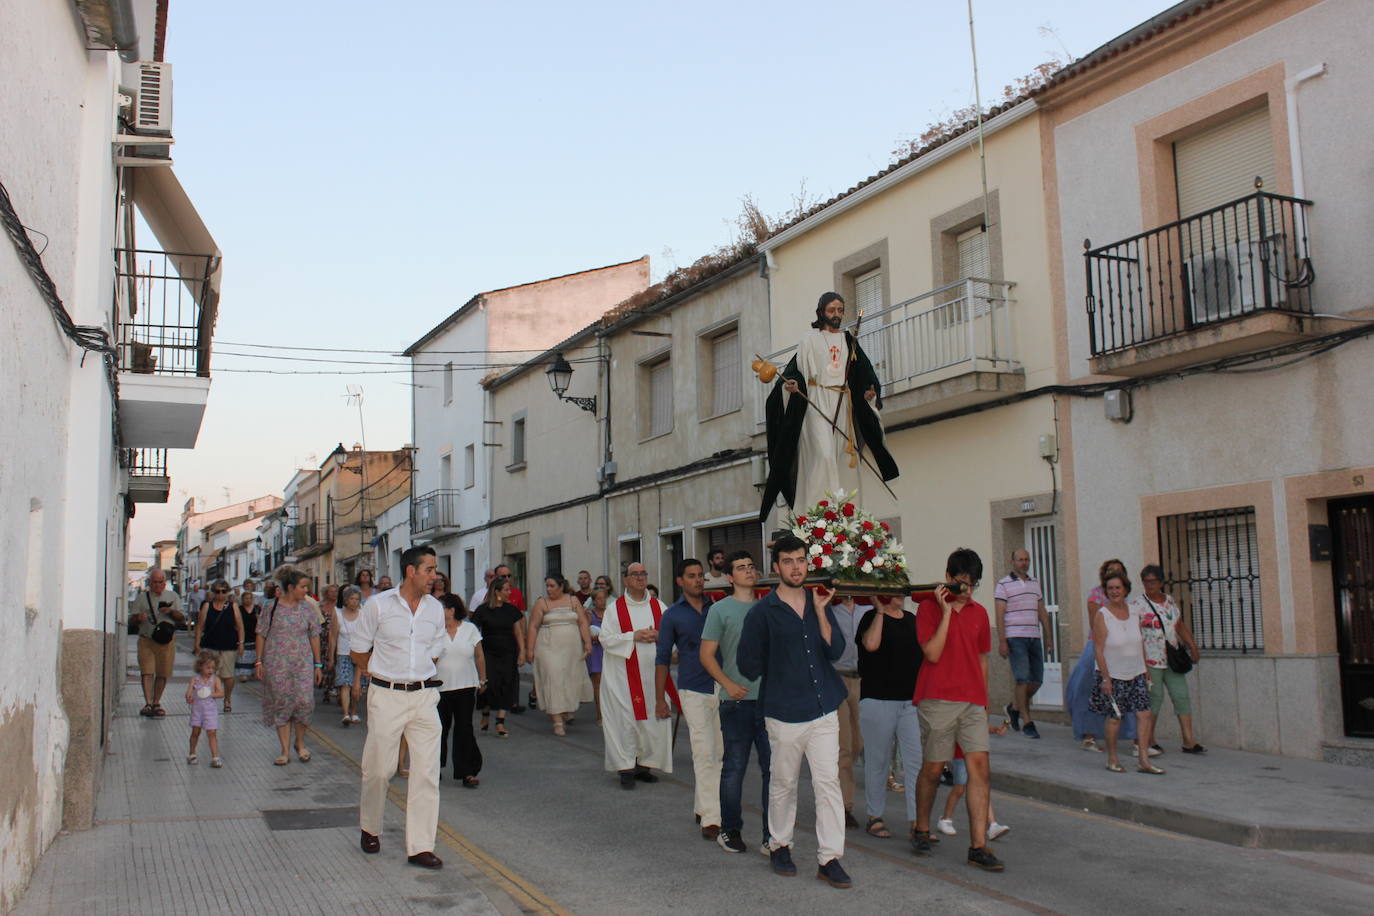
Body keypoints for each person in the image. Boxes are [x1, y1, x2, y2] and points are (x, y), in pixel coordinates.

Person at [738, 535, 852, 889]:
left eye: (801, 560)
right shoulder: (762, 612)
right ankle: (780, 845)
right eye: (788, 561)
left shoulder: (820, 602)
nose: (796, 567)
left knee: (828, 784)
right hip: (784, 712)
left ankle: (830, 857)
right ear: (776, 568)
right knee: (784, 784)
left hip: (823, 708)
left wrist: (820, 612)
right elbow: (747, 664)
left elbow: (835, 651)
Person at [759, 291, 898, 521]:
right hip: (816, 401)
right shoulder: (809, 339)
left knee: (842, 458)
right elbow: (796, 372)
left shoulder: (848, 340)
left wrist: (870, 389)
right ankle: (816, 515)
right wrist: (793, 386)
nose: (836, 314)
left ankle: (844, 514)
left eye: (840, 310)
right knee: (822, 455)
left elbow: (864, 371)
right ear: (822, 311)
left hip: (842, 402)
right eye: (832, 310)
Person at [352, 545, 447, 869]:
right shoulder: (378, 606)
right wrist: (380, 676)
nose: (435, 576)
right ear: (411, 571)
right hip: (386, 695)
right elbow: (358, 650)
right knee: (379, 770)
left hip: (423, 697)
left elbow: (436, 648)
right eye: (430, 570)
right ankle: (370, 826)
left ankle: (420, 846)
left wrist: (418, 672)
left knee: (426, 773)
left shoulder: (435, 609)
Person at [911, 548, 1003, 872]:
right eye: (962, 583)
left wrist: (985, 701)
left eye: (973, 585)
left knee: (980, 769)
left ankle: (978, 846)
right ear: (949, 579)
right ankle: (921, 827)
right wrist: (947, 611)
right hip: (937, 699)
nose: (967, 591)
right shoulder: (927, 609)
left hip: (972, 701)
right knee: (934, 770)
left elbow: (982, 659)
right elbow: (932, 654)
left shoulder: (980, 613)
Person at [699, 550, 771, 855]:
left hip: (769, 703)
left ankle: (772, 836)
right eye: (741, 568)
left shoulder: (768, 608)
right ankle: (729, 830)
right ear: (729, 577)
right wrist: (728, 684)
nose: (748, 571)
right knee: (734, 768)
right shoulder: (719, 610)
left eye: (751, 566)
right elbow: (706, 655)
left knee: (774, 771)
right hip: (736, 703)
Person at [656, 558, 723, 839]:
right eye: (691, 576)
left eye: (700, 576)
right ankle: (711, 818)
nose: (698, 580)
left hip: (721, 687)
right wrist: (660, 698)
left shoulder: (717, 609)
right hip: (692, 689)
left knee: (718, 753)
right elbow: (661, 658)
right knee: (702, 751)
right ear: (680, 581)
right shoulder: (672, 615)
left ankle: (702, 805)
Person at [600, 562, 674, 788]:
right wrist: (633, 636)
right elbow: (605, 639)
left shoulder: (659, 606)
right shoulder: (615, 609)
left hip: (653, 675)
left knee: (652, 721)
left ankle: (644, 765)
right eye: (635, 574)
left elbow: (672, 635)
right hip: (622, 678)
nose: (641, 578)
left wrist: (659, 635)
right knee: (625, 722)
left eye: (643, 573)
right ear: (626, 580)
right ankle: (625, 768)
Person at [856, 595, 922, 840]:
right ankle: (875, 816)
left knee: (916, 762)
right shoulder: (870, 618)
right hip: (878, 699)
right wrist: (880, 611)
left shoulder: (912, 620)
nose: (898, 595)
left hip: (910, 702)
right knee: (879, 761)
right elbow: (871, 645)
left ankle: (918, 821)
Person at [1092, 571, 1164, 775]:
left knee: (1145, 713)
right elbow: (1098, 648)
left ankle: (1144, 760)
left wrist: (1146, 668)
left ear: (1125, 589)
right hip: (1113, 675)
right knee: (1115, 717)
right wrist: (1105, 678)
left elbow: (1139, 641)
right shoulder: (1102, 615)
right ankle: (1112, 758)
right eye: (1110, 588)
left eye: (1118, 587)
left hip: (1137, 672)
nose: (1114, 592)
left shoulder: (1134, 612)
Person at [1133, 565, 1204, 754]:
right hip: (1150, 660)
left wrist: (1192, 646)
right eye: (1146, 581)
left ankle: (1189, 740)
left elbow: (1179, 625)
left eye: (1153, 581)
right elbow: (1134, 634)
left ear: (1161, 582)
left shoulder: (1169, 601)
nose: (1150, 585)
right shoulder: (1137, 604)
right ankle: (1148, 739)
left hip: (1171, 657)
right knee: (1154, 699)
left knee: (1181, 696)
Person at [1067, 559, 1137, 751]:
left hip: (1121, 649)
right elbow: (1095, 626)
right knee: (1089, 689)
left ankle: (1134, 738)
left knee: (1127, 692)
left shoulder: (1126, 598)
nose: (1114, 573)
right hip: (1098, 646)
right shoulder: (1096, 595)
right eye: (1110, 570)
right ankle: (1088, 735)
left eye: (1119, 571)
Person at [255, 568, 323, 765]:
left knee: (305, 702)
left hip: (302, 663)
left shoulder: (308, 608)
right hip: (277, 663)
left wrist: (318, 664)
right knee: (282, 702)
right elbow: (261, 633)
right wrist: (259, 661)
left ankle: (300, 743)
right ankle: (284, 750)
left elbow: (314, 635)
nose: (305, 591)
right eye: (302, 587)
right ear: (291, 587)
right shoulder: (271, 607)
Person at [994, 549, 1054, 740]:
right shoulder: (1003, 584)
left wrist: (1049, 637)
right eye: (1020, 560)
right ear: (1013, 561)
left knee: (1037, 680)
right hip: (1015, 637)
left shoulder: (1035, 583)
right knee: (1022, 679)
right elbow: (999, 614)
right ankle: (1027, 720)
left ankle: (1014, 707)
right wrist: (1002, 641)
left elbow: (1042, 610)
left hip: (1033, 636)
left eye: (1027, 559)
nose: (1024, 563)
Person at [526, 574, 593, 736]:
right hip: (548, 647)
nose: (548, 589)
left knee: (568, 679)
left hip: (571, 649)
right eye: (547, 586)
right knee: (553, 679)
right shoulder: (542, 603)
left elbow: (583, 622)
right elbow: (533, 626)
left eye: (552, 586)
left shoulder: (573, 601)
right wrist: (530, 649)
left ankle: (565, 710)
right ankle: (557, 721)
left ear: (561, 586)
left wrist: (588, 642)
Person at [437, 593, 486, 787]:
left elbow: (479, 656)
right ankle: (435, 767)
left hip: (465, 685)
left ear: (451, 610)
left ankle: (467, 771)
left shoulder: (470, 629)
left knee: (464, 728)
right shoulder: (434, 631)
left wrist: (483, 679)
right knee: (439, 729)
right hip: (439, 687)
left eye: (441, 608)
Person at [830, 594, 867, 829]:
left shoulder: (866, 608)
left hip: (862, 679)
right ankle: (844, 806)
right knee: (843, 744)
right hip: (837, 678)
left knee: (858, 743)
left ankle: (835, 791)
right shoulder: (830, 610)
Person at [936, 722, 1011, 840]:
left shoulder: (978, 708)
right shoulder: (961, 709)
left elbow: (979, 726)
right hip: (961, 755)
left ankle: (992, 825)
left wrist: (994, 729)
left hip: (977, 753)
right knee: (959, 789)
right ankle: (945, 818)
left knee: (981, 789)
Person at [472, 576, 525, 738]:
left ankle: (500, 721)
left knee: (507, 683)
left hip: (508, 651)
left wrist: (522, 651)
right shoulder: (482, 611)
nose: (510, 592)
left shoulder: (511, 610)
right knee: (490, 684)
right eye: (507, 590)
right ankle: (486, 714)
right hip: (488, 652)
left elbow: (518, 632)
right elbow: (473, 632)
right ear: (497, 592)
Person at [132, 568, 185, 718]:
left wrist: (171, 612)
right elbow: (132, 620)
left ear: (165, 582)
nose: (158, 585)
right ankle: (148, 703)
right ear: (150, 583)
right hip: (146, 639)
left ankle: (156, 702)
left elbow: (181, 617)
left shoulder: (173, 596)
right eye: (155, 582)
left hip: (166, 642)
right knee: (147, 672)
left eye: (160, 582)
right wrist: (138, 618)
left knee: (162, 673)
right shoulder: (141, 598)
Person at [193, 579, 244, 713]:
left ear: (227, 592)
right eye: (217, 591)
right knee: (208, 675)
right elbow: (200, 626)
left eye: (223, 591)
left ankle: (227, 698)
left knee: (228, 676)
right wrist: (197, 644)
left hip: (228, 645)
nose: (220, 594)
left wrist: (241, 643)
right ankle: (208, 698)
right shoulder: (207, 606)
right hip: (210, 646)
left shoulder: (233, 606)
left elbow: (239, 626)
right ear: (213, 592)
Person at [328, 586, 366, 726]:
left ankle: (354, 711)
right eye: (351, 598)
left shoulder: (363, 614)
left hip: (360, 654)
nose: (354, 602)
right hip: (343, 654)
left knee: (356, 688)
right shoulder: (337, 613)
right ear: (346, 600)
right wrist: (331, 657)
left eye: (357, 599)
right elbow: (333, 637)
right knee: (345, 684)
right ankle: (345, 714)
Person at [185, 650, 226, 768]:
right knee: (195, 732)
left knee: (212, 732)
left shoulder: (215, 680)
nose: (211, 671)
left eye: (213, 668)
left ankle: (215, 757)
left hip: (210, 711)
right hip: (197, 711)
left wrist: (210, 694)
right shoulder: (195, 679)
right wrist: (189, 697)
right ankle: (192, 753)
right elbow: (188, 693)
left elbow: (221, 693)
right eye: (208, 667)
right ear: (200, 666)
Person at [585, 586, 609, 723]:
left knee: (610, 683)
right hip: (595, 651)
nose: (602, 601)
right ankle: (600, 714)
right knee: (598, 683)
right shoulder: (590, 614)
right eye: (599, 599)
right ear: (594, 601)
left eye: (603, 598)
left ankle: (610, 713)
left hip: (607, 650)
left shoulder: (610, 613)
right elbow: (585, 632)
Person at [236, 589, 260, 681]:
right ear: (242, 600)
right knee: (243, 656)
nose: (248, 600)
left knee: (254, 654)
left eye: (250, 598)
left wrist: (258, 618)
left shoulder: (257, 608)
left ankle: (254, 672)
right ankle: (243, 674)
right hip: (243, 635)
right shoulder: (239, 609)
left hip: (255, 635)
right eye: (246, 598)